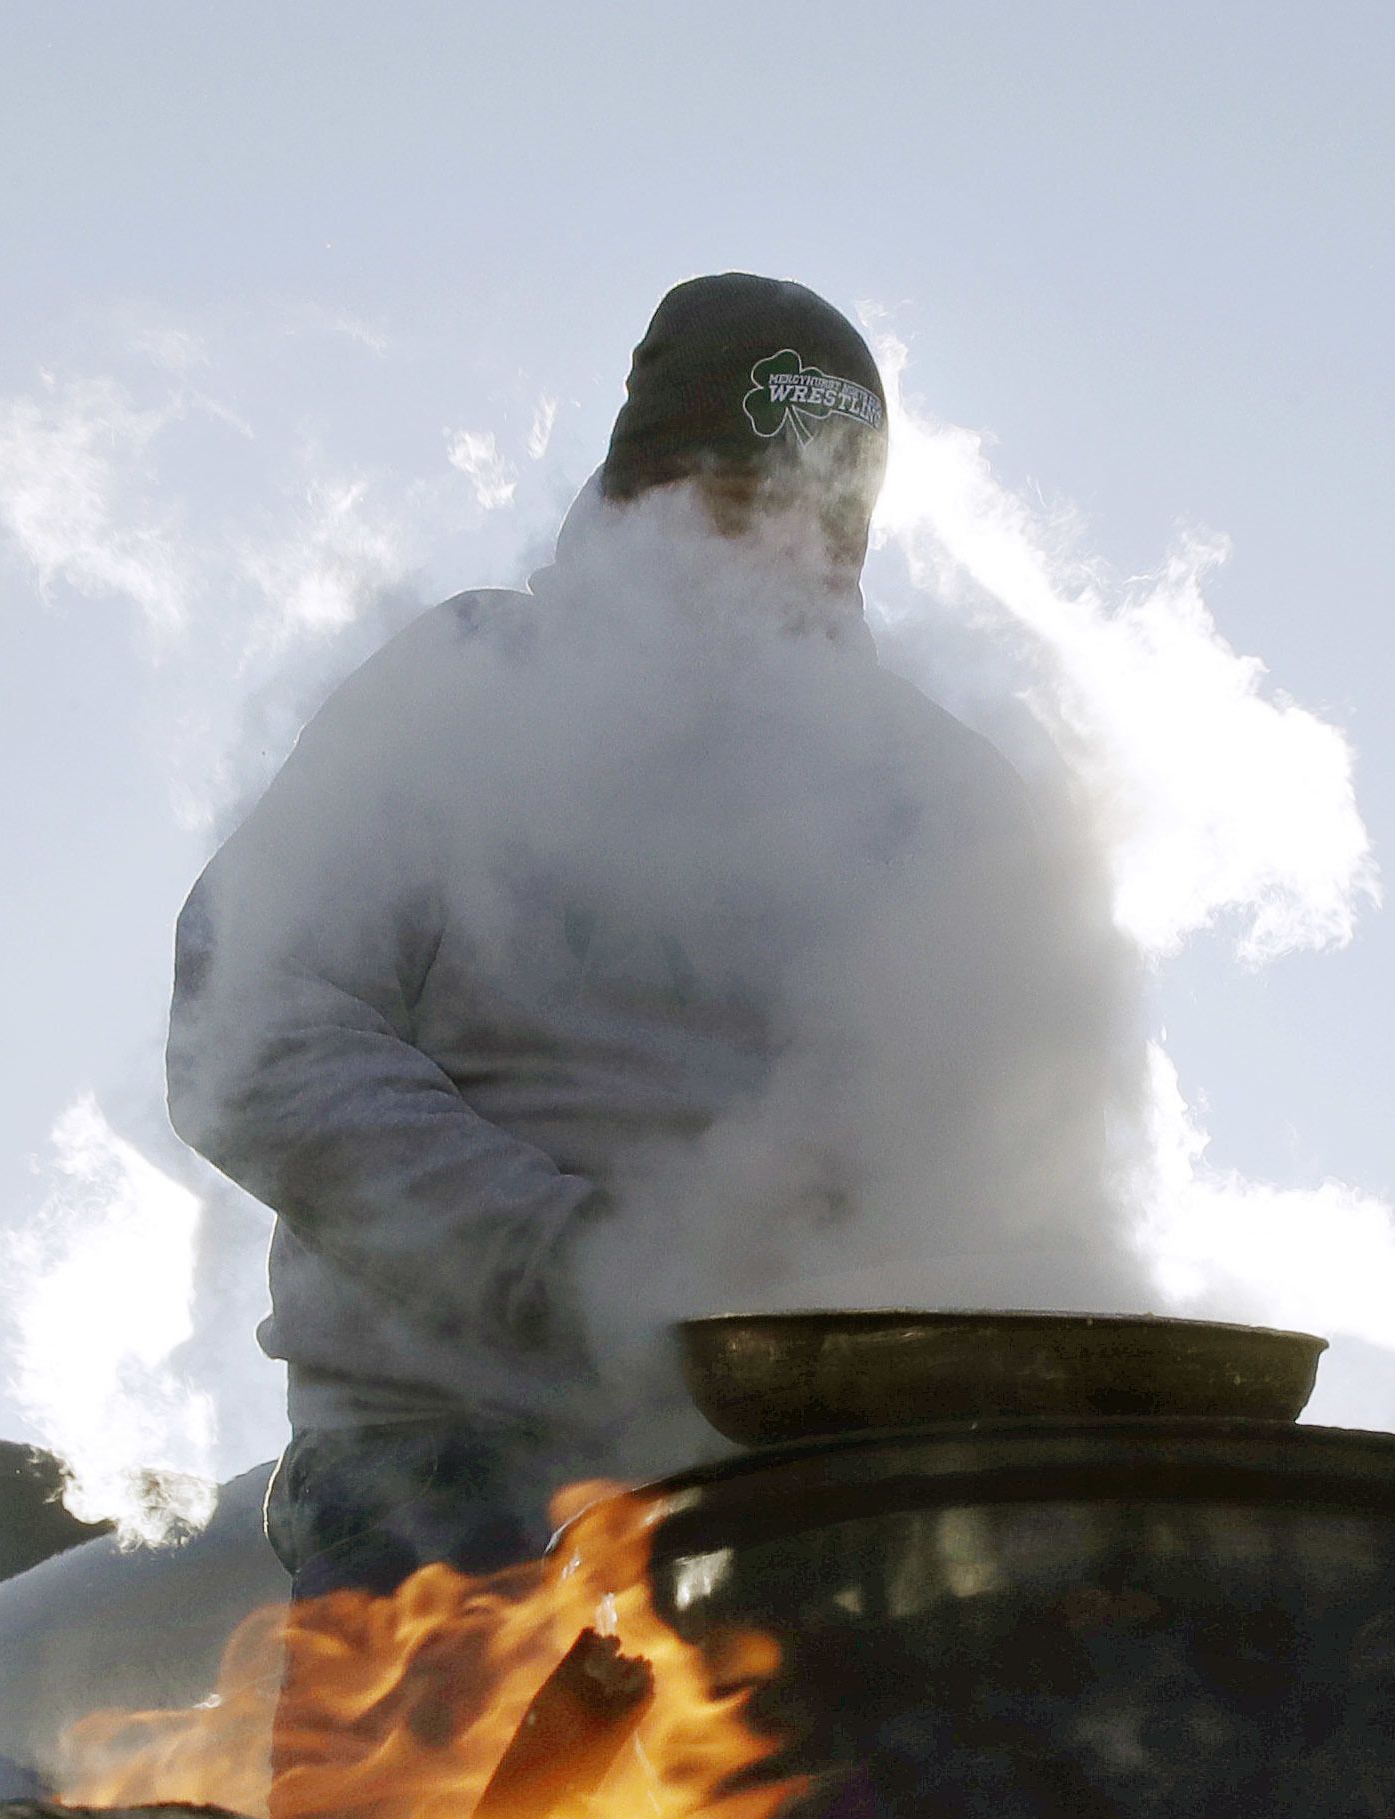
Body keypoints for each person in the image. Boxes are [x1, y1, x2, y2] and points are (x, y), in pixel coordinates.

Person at [168, 273, 1137, 1600]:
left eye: (830, 520)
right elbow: (252, 1036)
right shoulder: (465, 692)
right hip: (449, 1478)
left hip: (821, 1497)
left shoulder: (936, 794)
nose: (788, 555)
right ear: (636, 499)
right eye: (740, 505)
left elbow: (1028, 1163)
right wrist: (591, 1275)